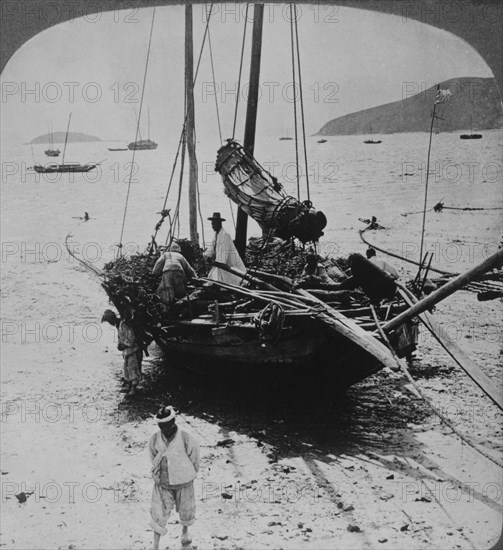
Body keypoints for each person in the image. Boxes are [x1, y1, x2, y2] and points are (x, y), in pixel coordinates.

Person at [149, 406, 200, 550]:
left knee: (186, 510)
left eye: (167, 425)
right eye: (161, 426)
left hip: (184, 481)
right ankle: (156, 545)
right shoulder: (154, 438)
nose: (164, 429)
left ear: (173, 421)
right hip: (163, 482)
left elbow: (194, 458)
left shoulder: (185, 437)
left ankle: (185, 535)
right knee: (158, 513)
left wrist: (188, 474)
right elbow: (153, 455)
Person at [101, 308, 142, 396]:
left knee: (133, 369)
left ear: (112, 318)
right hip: (128, 351)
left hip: (133, 350)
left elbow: (131, 339)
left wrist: (123, 345)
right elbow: (122, 338)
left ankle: (133, 388)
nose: (110, 323)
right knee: (127, 369)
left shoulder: (123, 324)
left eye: (109, 320)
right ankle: (129, 385)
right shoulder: (119, 324)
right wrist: (120, 344)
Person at [204, 212, 246, 285]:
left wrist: (212, 261)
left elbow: (222, 259)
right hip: (221, 264)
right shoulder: (216, 235)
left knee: (231, 280)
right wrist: (207, 256)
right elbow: (210, 249)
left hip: (230, 265)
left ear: (219, 223)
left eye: (214, 224)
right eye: (212, 224)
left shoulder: (225, 235)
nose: (212, 226)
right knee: (212, 277)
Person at [152, 242, 197, 308]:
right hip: (179, 271)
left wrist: (154, 273)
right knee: (180, 290)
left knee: (167, 290)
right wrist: (195, 277)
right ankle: (181, 307)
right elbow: (188, 268)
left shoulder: (166, 254)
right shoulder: (180, 256)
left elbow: (158, 264)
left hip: (167, 272)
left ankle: (167, 308)